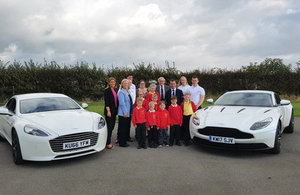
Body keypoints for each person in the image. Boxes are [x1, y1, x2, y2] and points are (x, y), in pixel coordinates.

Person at [117, 79, 133, 147]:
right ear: (122, 84)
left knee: (126, 127)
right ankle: (122, 142)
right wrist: (125, 112)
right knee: (122, 128)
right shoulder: (121, 92)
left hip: (128, 112)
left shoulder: (128, 91)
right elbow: (122, 103)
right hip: (123, 113)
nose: (126, 84)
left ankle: (125, 139)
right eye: (124, 83)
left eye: (127, 83)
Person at [104, 77, 118, 149]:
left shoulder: (114, 90)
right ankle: (108, 143)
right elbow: (107, 102)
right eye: (111, 82)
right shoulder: (107, 91)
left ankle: (107, 141)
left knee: (112, 126)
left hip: (114, 111)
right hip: (109, 111)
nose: (113, 83)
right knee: (109, 127)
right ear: (109, 83)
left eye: (114, 82)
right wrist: (108, 111)